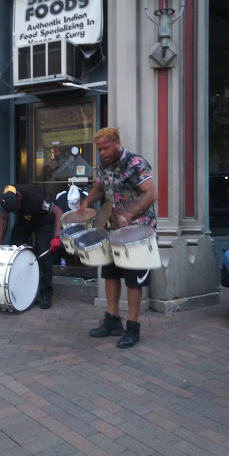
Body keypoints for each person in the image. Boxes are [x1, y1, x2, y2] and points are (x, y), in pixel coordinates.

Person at [80, 127, 157, 349]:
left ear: (117, 143)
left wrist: (130, 214)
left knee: (133, 280)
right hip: (115, 230)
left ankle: (133, 327)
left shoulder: (135, 163)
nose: (102, 153)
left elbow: (151, 192)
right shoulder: (104, 165)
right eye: (99, 149)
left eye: (105, 148)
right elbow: (98, 188)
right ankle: (113, 321)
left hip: (138, 231)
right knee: (111, 274)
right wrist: (86, 202)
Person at [0, 184, 63, 309]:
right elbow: (4, 219)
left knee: (44, 253)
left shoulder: (35, 197)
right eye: (13, 210)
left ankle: (46, 292)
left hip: (42, 221)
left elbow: (58, 212)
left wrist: (57, 237)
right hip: (24, 221)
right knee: (13, 251)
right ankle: (16, 288)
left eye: (16, 208)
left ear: (19, 197)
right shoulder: (6, 198)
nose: (15, 211)